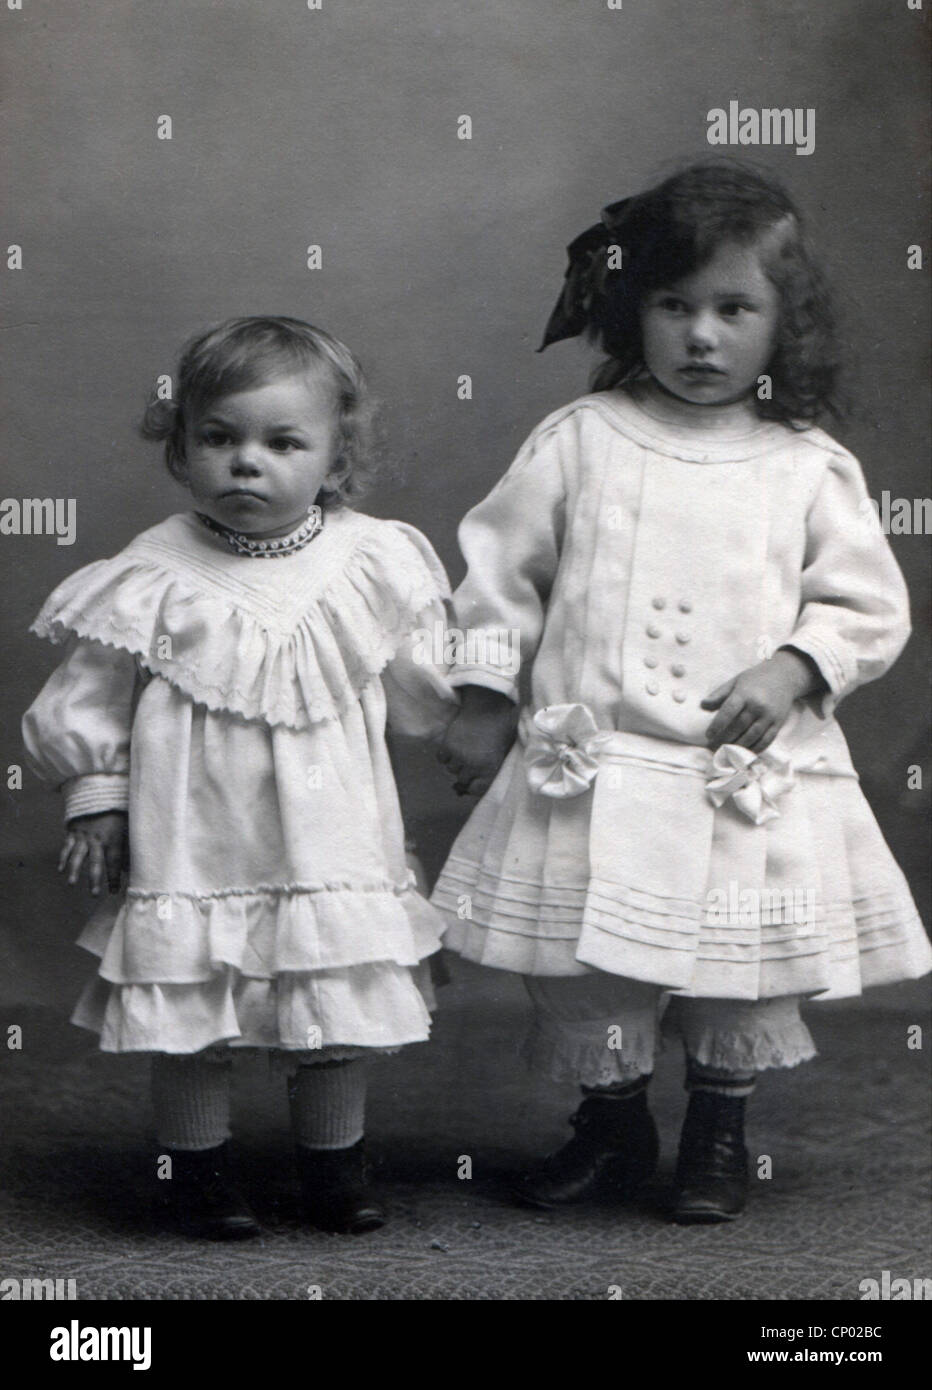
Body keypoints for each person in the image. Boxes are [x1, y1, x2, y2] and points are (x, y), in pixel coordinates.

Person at [431, 163, 931, 1223]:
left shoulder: (804, 465)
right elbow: (497, 576)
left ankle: (718, 1126)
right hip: (599, 766)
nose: (701, 337)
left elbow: (864, 604)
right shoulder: (581, 442)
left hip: (737, 775)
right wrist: (481, 698)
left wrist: (793, 664)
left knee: (734, 959)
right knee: (585, 964)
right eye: (674, 306)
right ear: (629, 310)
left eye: (732, 309)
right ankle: (612, 1125)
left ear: (780, 324)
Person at [23, 316, 457, 1239]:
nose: (246, 463)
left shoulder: (368, 560)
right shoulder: (153, 572)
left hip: (330, 833)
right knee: (191, 1006)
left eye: (281, 442)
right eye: (219, 439)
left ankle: (335, 1169)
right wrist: (97, 796)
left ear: (336, 461)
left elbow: (422, 684)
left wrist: (474, 728)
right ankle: (195, 1173)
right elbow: (90, 693)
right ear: (181, 449)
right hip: (196, 832)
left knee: (333, 996)